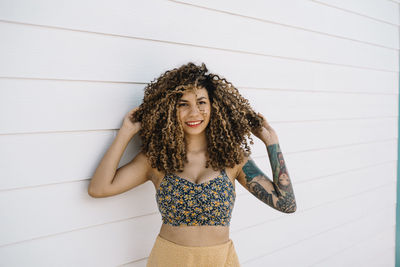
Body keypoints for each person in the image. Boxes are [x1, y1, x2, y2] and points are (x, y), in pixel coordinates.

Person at [88, 62, 297, 266]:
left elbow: (286, 204)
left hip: (219, 260)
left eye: (201, 102)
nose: (194, 113)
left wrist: (272, 142)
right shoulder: (156, 159)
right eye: (183, 104)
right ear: (171, 109)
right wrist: (125, 133)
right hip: (169, 259)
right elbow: (99, 188)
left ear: (214, 105)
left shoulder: (233, 159)